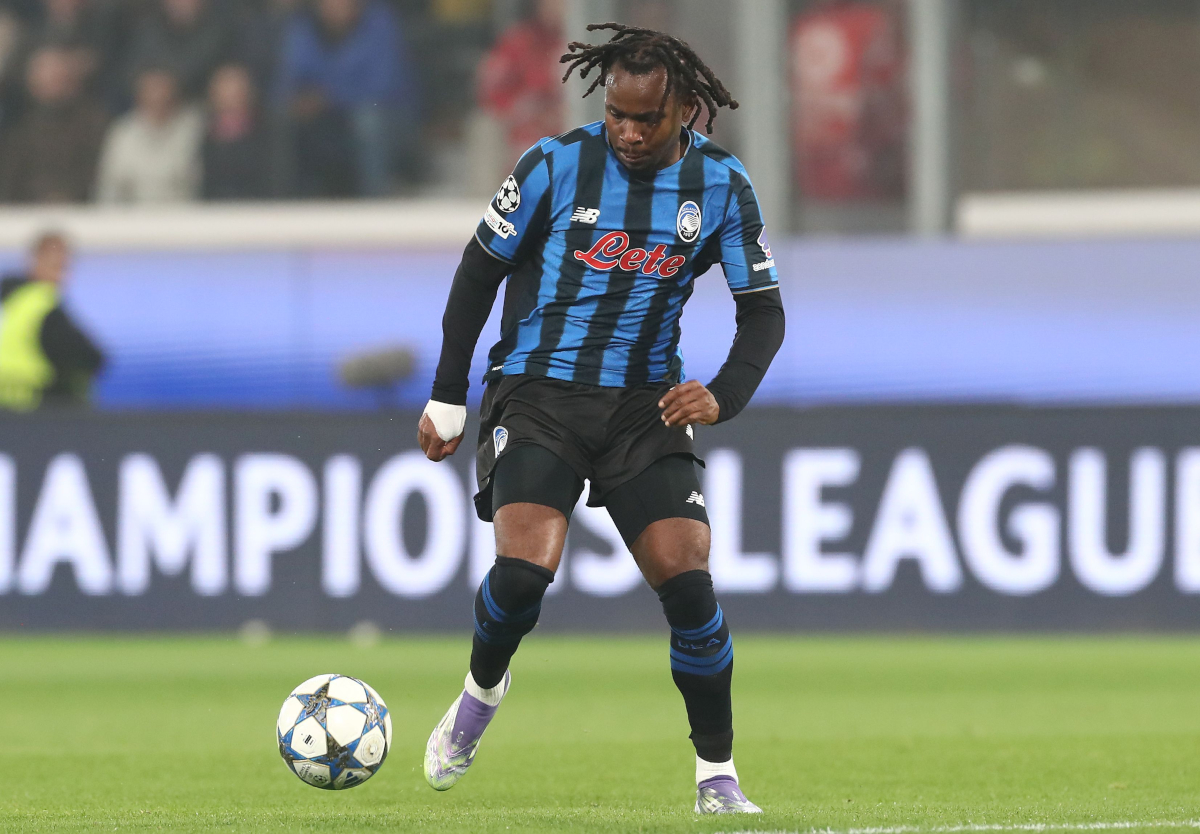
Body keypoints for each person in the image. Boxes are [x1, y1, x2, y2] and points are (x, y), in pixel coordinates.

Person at [418, 22, 785, 815]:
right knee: (523, 574)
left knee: (690, 583)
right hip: (539, 393)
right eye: (617, 113)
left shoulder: (721, 184)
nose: (628, 131)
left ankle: (717, 778)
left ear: (684, 110)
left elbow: (762, 312)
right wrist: (448, 394)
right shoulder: (554, 165)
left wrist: (724, 393)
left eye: (646, 118)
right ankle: (482, 691)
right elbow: (478, 272)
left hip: (644, 406)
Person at [277, 0, 417, 197]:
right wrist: (299, 99)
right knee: (284, 119)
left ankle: (375, 197)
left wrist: (329, 97)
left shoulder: (380, 24)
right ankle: (292, 200)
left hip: (386, 115)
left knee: (368, 121)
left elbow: (382, 86)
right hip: (327, 116)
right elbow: (290, 78)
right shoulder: (303, 28)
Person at [0, 231, 104, 410]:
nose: (59, 277)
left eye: (63, 268)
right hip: (30, 408)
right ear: (34, 262)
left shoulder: (11, 300)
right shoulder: (42, 304)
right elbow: (91, 357)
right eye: (55, 267)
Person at [0, 43, 107, 202]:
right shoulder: (21, 131)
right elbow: (10, 181)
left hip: (82, 207)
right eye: (47, 77)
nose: (53, 82)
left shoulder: (94, 124)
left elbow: (99, 174)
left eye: (59, 77)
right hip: (28, 209)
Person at [476, 0, 564, 170]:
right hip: (534, 144)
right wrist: (530, 108)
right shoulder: (520, 41)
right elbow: (493, 94)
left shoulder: (598, 39)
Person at [94, 65, 203, 203]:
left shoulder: (194, 129)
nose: (158, 96)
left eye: (162, 87)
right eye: (151, 89)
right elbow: (109, 187)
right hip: (133, 213)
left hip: (185, 212)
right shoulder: (122, 132)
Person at [202, 63, 269, 200]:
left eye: (236, 86)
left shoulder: (268, 133)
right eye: (224, 85)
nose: (230, 93)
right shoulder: (201, 133)